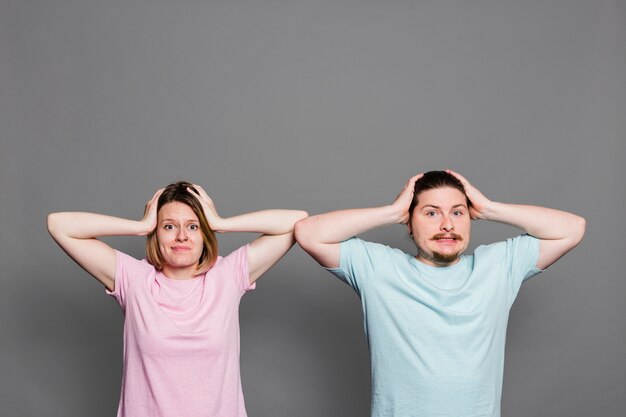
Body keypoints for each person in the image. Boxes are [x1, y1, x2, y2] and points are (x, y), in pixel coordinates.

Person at [294, 170, 585, 417]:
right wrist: (391, 212)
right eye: (431, 213)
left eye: (457, 212)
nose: (447, 224)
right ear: (408, 224)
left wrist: (490, 208)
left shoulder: (499, 267)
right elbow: (308, 232)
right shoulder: (379, 268)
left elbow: (573, 228)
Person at [47, 181, 307, 417]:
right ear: (156, 233)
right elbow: (60, 225)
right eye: (169, 226)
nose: (181, 236)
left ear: (204, 234)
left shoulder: (228, 275)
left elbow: (298, 221)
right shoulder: (133, 279)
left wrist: (220, 223)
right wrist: (139, 226)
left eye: (193, 226)